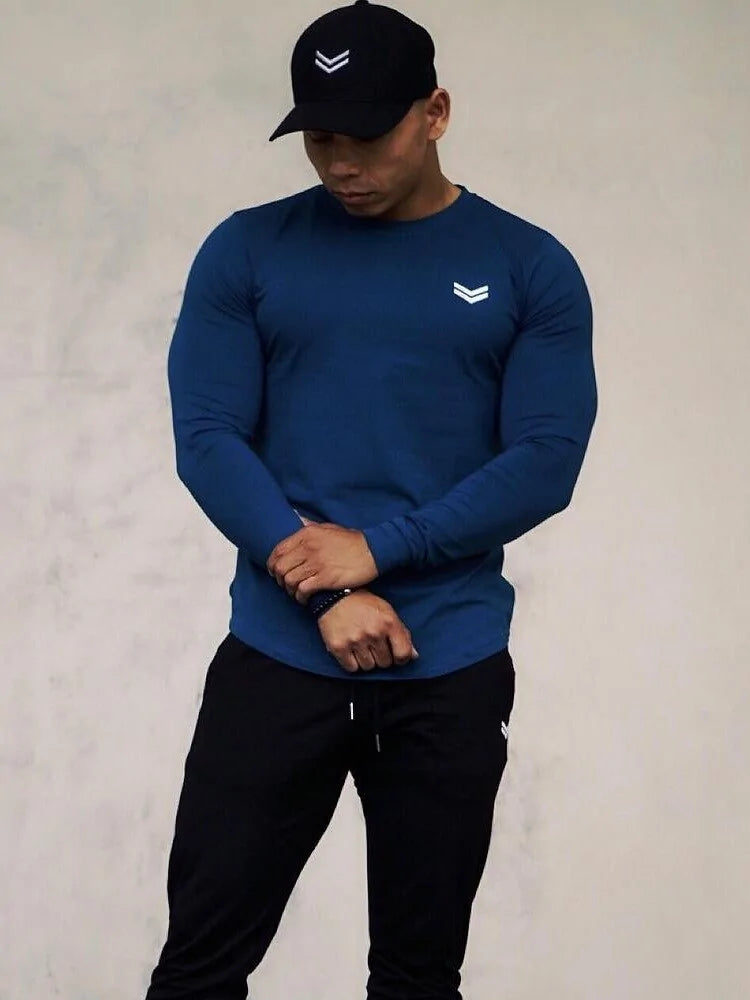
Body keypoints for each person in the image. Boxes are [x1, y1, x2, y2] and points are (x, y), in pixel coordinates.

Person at [144, 1, 598, 997]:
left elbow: (546, 457)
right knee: (198, 972)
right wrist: (329, 588)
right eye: (320, 139)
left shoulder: (528, 267)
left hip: (448, 666)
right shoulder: (248, 250)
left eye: (367, 135)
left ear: (435, 113)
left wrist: (381, 549)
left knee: (417, 978)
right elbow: (208, 437)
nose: (341, 163)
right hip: (278, 658)